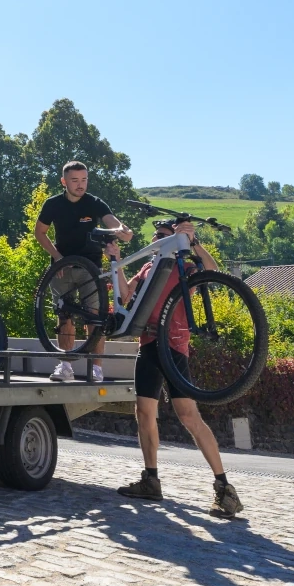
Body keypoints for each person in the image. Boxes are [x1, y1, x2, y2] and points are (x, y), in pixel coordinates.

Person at [116, 219, 243, 517]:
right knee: (144, 412)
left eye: (166, 237)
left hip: (173, 345)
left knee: (189, 416)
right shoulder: (148, 268)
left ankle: (225, 488)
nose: (159, 241)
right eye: (157, 237)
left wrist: (192, 241)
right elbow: (125, 296)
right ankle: (151, 480)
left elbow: (212, 272)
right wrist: (116, 262)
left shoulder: (184, 267)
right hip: (147, 344)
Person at [33, 161, 128, 383]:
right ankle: (65, 366)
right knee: (64, 316)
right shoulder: (53, 204)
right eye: (74, 180)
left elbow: (112, 221)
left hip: (91, 267)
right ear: (64, 182)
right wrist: (57, 258)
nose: (80, 185)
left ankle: (96, 368)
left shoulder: (94, 203)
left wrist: (122, 231)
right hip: (62, 267)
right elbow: (40, 232)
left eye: (84, 180)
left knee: (94, 317)